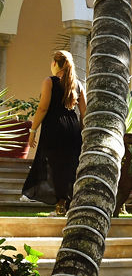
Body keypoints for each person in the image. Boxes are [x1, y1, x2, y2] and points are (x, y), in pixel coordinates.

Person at [23, 50, 85, 214]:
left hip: (54, 127)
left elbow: (43, 108)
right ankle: (66, 202)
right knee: (70, 165)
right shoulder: (78, 84)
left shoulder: (49, 81)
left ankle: (60, 203)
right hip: (72, 128)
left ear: (55, 64)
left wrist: (33, 130)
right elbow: (84, 113)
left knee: (54, 165)